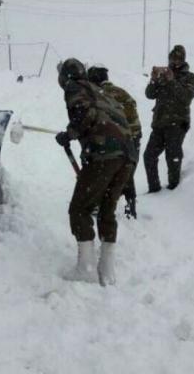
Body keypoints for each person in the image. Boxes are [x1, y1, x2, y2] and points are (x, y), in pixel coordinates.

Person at [55, 58, 137, 286]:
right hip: (127, 155)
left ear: (65, 76)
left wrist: (69, 134)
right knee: (107, 209)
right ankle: (107, 270)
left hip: (105, 154)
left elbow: (84, 115)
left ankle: (86, 269)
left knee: (80, 209)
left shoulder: (75, 87)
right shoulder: (100, 91)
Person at [87, 65, 142, 219]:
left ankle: (97, 205)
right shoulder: (122, 92)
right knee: (127, 173)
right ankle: (131, 208)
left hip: (116, 139)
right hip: (134, 138)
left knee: (101, 170)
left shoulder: (98, 95)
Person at [143, 45, 194, 192]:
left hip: (177, 123)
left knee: (173, 156)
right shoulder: (163, 76)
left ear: (183, 60)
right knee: (149, 156)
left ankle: (174, 190)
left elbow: (186, 98)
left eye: (178, 58)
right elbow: (149, 94)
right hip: (159, 123)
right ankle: (154, 189)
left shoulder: (191, 78)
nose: (174, 61)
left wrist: (172, 81)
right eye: (172, 58)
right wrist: (154, 79)